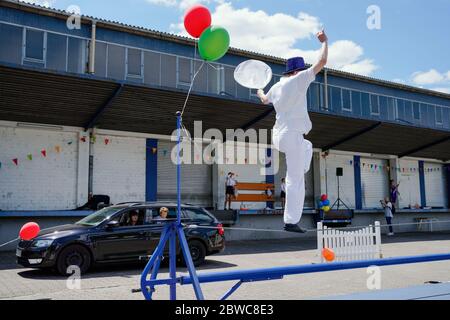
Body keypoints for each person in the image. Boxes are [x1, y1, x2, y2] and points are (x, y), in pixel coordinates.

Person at [257, 30, 328, 233]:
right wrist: (325, 41)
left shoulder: (277, 86)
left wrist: (260, 91)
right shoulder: (299, 80)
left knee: (308, 146)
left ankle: (300, 167)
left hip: (279, 136)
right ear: (297, 71)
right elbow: (322, 61)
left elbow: (264, 99)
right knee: (295, 180)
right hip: (292, 135)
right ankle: (290, 221)